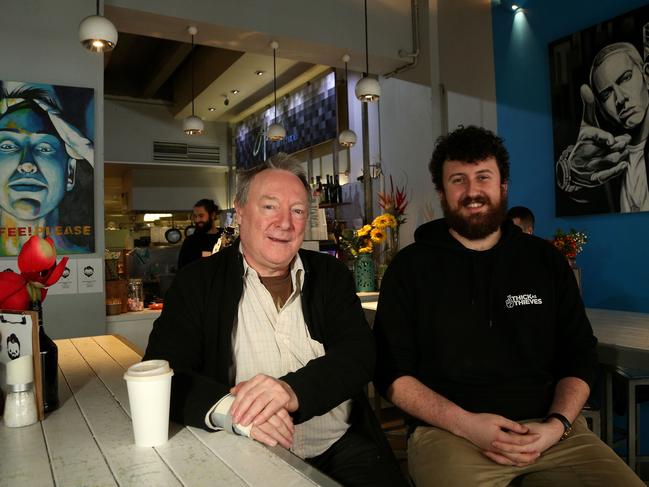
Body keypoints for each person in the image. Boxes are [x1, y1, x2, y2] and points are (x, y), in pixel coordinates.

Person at [374, 126, 642, 486]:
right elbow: (391, 372)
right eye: (458, 180)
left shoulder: (545, 261)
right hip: (450, 433)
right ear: (441, 191)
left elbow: (579, 353)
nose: (472, 192)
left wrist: (556, 425)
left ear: (503, 185)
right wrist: (467, 424)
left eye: (483, 177)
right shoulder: (410, 268)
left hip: (552, 433)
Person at [145, 153, 405, 487]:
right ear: (239, 211)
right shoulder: (197, 282)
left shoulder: (329, 275)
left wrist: (289, 390)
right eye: (270, 207)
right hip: (243, 450)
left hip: (338, 446)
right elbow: (162, 373)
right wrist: (235, 414)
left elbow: (358, 354)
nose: (285, 222)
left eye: (297, 210)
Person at [0, 82, 94, 255]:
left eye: (44, 148)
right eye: (7, 146)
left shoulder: (81, 254)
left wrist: (86, 148)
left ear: (70, 173)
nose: (27, 165)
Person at [556, 42, 649, 214]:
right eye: (607, 94)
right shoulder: (609, 160)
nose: (620, 99)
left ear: (646, 75)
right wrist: (571, 173)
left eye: (625, 78)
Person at [177, 199, 223, 269]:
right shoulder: (190, 242)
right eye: (195, 216)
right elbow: (182, 270)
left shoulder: (225, 237)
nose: (197, 220)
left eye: (201, 216)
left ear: (212, 215)